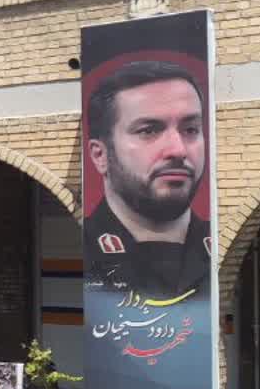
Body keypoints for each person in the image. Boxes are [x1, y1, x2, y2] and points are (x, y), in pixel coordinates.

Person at [84, 60, 211, 298]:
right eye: (148, 130)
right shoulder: (82, 247)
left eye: (190, 130)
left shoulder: (223, 246)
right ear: (100, 155)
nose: (178, 150)